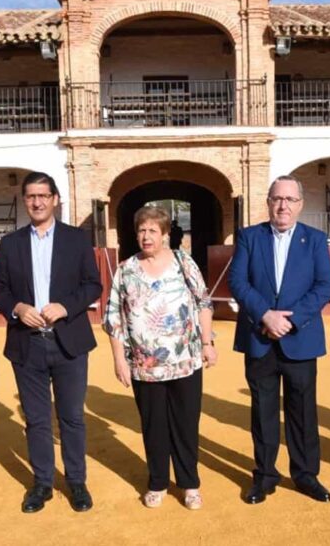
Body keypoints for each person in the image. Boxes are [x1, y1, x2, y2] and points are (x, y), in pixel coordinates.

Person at [0, 172, 102, 514]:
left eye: (42, 196)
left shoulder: (76, 239)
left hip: (68, 341)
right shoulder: (11, 243)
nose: (36, 202)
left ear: (55, 199)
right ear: (25, 201)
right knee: (36, 419)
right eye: (30, 197)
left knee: (71, 417)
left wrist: (66, 306)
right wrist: (18, 308)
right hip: (28, 343)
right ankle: (42, 483)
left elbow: (92, 285)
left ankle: (77, 482)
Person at [228, 174, 330, 505]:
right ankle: (265, 476)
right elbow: (237, 281)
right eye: (277, 199)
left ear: (300, 204)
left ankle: (305, 475)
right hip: (260, 337)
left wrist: (290, 321)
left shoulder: (315, 239)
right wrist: (266, 315)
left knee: (303, 411)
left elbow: (324, 285)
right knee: (263, 411)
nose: (283, 205)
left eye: (289, 199)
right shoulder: (249, 236)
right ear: (268, 202)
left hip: (299, 338)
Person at [103, 206, 217, 510]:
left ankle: (189, 484)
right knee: (153, 425)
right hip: (144, 366)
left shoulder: (183, 261)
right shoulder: (126, 269)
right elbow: (113, 317)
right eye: (141, 230)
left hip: (185, 360)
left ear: (165, 235)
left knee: (185, 424)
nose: (145, 236)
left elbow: (203, 301)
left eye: (153, 230)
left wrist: (207, 342)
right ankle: (157, 482)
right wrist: (119, 360)